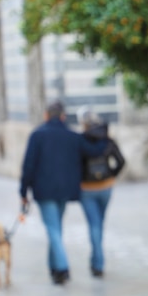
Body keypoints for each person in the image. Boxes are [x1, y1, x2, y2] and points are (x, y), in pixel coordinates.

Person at [19, 100, 107, 285]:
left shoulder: (37, 135)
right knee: (55, 228)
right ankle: (54, 269)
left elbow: (28, 166)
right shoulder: (72, 136)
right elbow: (94, 150)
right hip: (66, 191)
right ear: (63, 116)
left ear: (45, 115)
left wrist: (23, 191)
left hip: (44, 191)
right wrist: (103, 132)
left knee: (53, 229)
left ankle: (62, 268)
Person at [77, 107, 126, 278]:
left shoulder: (80, 141)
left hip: (87, 189)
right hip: (106, 188)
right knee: (99, 224)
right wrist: (111, 175)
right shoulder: (108, 139)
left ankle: (97, 264)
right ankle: (96, 261)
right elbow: (121, 161)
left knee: (94, 225)